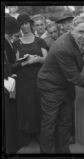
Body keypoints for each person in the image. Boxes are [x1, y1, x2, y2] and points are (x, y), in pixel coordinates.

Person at [37, 16, 84, 153]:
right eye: (81, 32)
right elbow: (75, 77)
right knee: (49, 125)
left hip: (65, 85)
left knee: (65, 124)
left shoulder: (75, 42)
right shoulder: (64, 47)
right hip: (50, 87)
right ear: (71, 30)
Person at [13, 13, 48, 147]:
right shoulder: (16, 43)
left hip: (39, 77)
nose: (24, 26)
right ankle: (27, 133)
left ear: (30, 24)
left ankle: (39, 133)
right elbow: (14, 62)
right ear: (19, 27)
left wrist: (36, 58)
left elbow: (48, 59)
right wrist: (24, 61)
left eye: (26, 23)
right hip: (23, 80)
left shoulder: (40, 41)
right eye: (21, 24)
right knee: (26, 105)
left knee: (39, 104)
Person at [4, 15, 20, 153]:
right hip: (7, 84)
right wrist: (9, 72)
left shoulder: (6, 40)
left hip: (8, 81)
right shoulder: (4, 41)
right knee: (9, 115)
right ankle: (10, 146)